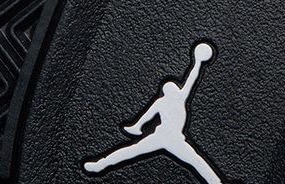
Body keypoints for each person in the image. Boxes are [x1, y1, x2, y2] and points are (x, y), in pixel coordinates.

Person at [83, 42, 222, 182]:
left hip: (169, 137)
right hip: (166, 136)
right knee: (196, 161)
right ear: (169, 92)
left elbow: (191, 79)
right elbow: (147, 115)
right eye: (172, 88)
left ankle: (100, 165)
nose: (174, 89)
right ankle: (99, 165)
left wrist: (198, 63)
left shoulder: (175, 99)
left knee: (132, 151)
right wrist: (198, 63)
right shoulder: (173, 100)